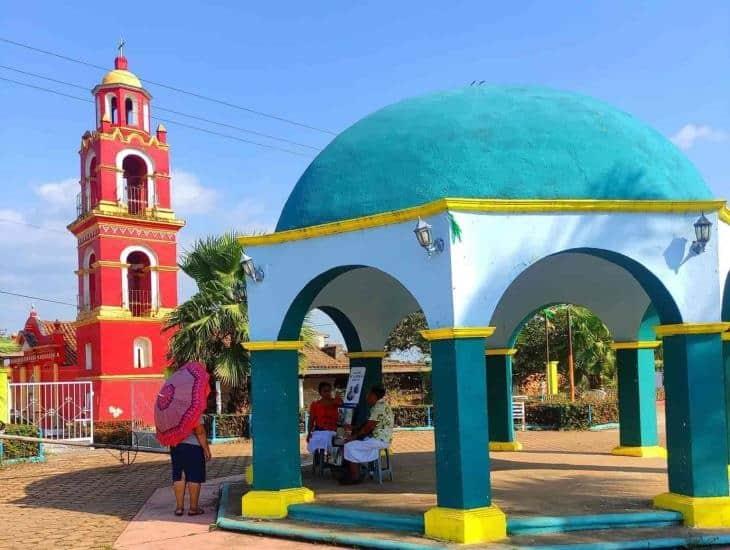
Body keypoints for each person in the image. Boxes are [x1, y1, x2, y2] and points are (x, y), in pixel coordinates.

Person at [340, 384, 394, 485]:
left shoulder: (378, 407)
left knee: (349, 446)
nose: (367, 398)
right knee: (355, 443)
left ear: (373, 396)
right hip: (381, 439)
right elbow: (367, 423)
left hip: (379, 440)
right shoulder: (382, 405)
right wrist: (354, 428)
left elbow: (368, 427)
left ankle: (355, 476)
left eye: (368, 395)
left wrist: (353, 437)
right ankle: (361, 469)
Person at [170, 415, 212, 516]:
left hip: (175, 446)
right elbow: (200, 432)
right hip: (193, 447)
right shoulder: (193, 409)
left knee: (179, 475)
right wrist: (206, 450)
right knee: (194, 476)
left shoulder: (170, 410)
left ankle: (179, 508)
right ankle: (193, 508)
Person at [306, 381, 342, 455]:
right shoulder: (315, 404)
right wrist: (309, 433)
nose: (328, 393)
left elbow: (341, 404)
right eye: (325, 391)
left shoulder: (336, 402)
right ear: (320, 393)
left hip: (332, 432)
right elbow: (311, 420)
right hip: (319, 432)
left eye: (329, 391)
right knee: (315, 444)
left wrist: (337, 394)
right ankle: (318, 463)